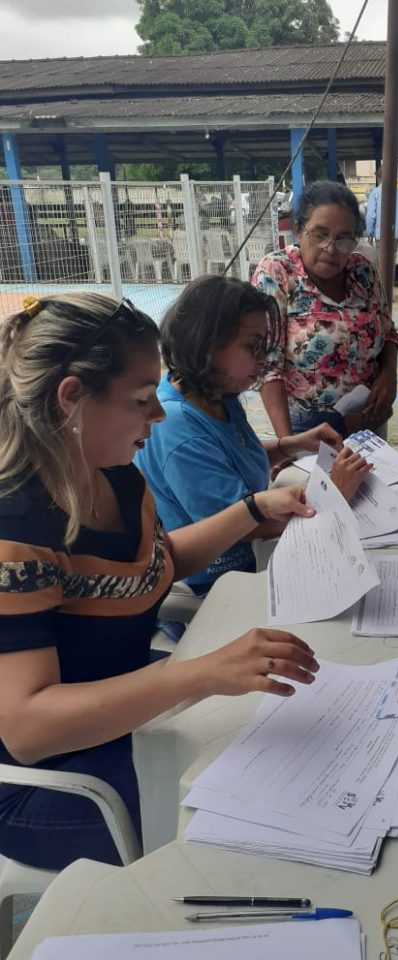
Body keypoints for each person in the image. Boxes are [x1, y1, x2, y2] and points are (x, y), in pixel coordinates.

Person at [0, 292, 321, 869]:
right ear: (72, 398)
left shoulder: (116, 476)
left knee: (290, 734)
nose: (159, 414)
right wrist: (200, 674)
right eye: (144, 399)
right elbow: (28, 727)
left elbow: (158, 564)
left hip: (122, 719)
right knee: (267, 811)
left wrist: (253, 508)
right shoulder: (15, 524)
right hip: (48, 782)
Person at [135, 275, 371, 604]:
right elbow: (242, 525)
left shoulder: (217, 395)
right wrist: (333, 494)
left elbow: (229, 456)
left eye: (264, 347)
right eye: (252, 346)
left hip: (257, 558)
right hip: (216, 587)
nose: (262, 360)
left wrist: (293, 444)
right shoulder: (176, 428)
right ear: (208, 342)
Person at [253, 180, 398, 437]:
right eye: (319, 235)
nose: (331, 249)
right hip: (305, 425)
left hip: (367, 417)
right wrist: (288, 443)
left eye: (344, 239)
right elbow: (269, 367)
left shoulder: (362, 270)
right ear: (299, 230)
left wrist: (389, 375)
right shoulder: (277, 272)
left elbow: (388, 333)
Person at [364, 169, 398, 249]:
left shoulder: (375, 193)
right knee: (392, 260)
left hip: (381, 235)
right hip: (395, 236)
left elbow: (370, 216)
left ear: (378, 178)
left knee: (382, 260)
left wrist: (369, 233)